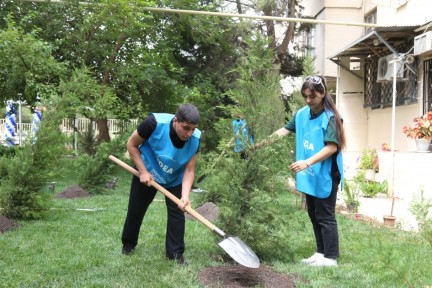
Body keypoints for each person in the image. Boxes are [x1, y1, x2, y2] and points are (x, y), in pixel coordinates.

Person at [272, 75, 345, 267]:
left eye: (312, 96)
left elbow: (331, 147)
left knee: (325, 214)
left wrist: (307, 162)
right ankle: (321, 252)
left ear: (322, 94)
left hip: (327, 172)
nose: (308, 100)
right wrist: (264, 143)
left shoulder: (331, 118)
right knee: (313, 213)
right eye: (305, 95)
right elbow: (285, 130)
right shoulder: (302, 114)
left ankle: (331, 257)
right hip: (312, 171)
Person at [121, 103, 201, 265]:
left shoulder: (195, 139)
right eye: (186, 128)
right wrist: (143, 171)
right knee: (136, 209)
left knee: (178, 214)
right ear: (175, 121)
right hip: (148, 170)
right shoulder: (154, 123)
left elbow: (189, 170)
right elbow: (132, 144)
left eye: (193, 129)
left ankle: (175, 254)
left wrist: (185, 196)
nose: (189, 133)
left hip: (174, 177)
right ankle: (128, 244)